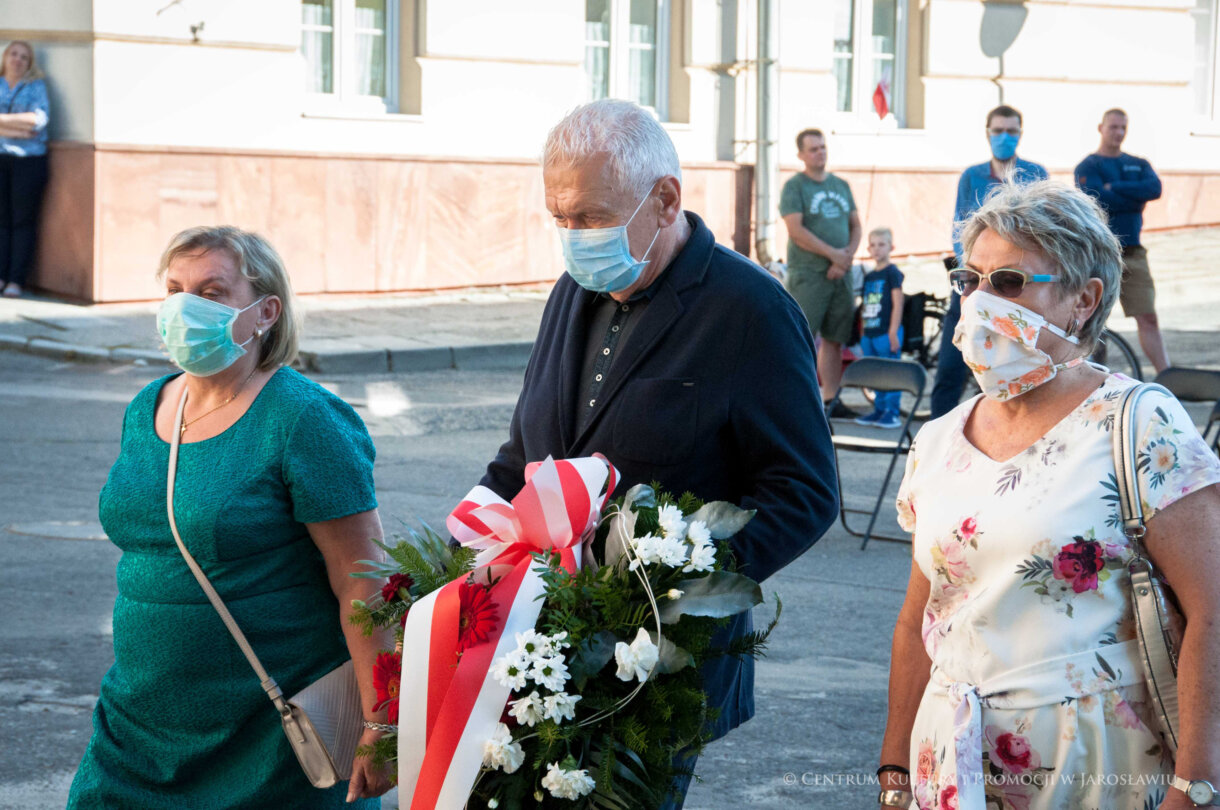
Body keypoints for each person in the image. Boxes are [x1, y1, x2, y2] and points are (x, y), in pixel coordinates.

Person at [478, 99, 839, 808]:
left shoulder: (750, 309)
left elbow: (805, 492)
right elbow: (530, 447)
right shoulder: (571, 292)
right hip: (541, 647)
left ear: (665, 199)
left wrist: (676, 592)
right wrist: (474, 538)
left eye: (589, 216)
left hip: (658, 673)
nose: (573, 236)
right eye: (560, 218)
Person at [876, 180, 1220, 810]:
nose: (980, 302)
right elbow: (920, 617)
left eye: (1008, 282)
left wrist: (1195, 786)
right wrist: (894, 771)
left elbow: (1213, 610)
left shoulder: (1139, 422)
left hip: (1093, 766)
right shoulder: (939, 440)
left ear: (1082, 300)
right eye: (968, 280)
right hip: (950, 762)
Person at [68, 227, 393, 809]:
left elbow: (362, 578)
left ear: (264, 311)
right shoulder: (150, 405)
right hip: (138, 727)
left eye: (212, 292)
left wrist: (383, 720)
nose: (185, 308)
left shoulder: (305, 419)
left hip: (267, 739)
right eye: (175, 290)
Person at [930, 105, 1048, 419]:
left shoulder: (1036, 174)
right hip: (974, 280)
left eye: (1011, 131)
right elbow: (960, 225)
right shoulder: (972, 176)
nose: (1004, 137)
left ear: (1020, 133)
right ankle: (935, 438)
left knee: (1016, 363)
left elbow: (1046, 231)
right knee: (951, 366)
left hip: (1015, 285)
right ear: (988, 133)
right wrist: (973, 268)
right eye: (998, 131)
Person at [1076, 108, 1168, 373]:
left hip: (1133, 253)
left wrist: (1114, 187)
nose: (1118, 133)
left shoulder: (1138, 163)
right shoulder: (1089, 166)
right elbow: (1097, 201)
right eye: (1113, 127)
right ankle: (1085, 375)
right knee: (1091, 319)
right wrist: (1132, 198)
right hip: (1099, 254)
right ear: (1101, 128)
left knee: (1148, 316)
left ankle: (1167, 376)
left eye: (1122, 128)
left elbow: (1154, 189)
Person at [779, 127, 863, 417]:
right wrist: (834, 256)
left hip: (841, 275)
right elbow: (795, 230)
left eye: (823, 147)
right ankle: (795, 400)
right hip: (809, 274)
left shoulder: (841, 184)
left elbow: (855, 224)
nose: (820, 152)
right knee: (800, 337)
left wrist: (845, 258)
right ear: (801, 154)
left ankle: (831, 400)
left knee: (835, 339)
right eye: (813, 149)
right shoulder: (795, 186)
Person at [0, 40, 50, 298]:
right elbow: (25, 124)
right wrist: (16, 126)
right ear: (5, 57)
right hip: (1, 159)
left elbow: (37, 122)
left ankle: (15, 280)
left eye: (24, 57)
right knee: (1, 220)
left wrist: (1, 122)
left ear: (29, 63)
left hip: (29, 162)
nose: (17, 59)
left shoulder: (35, 87)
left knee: (22, 221)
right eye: (14, 54)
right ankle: (1, 276)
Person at [855, 227, 905, 429]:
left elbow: (898, 304)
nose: (877, 249)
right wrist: (863, 333)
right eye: (873, 245)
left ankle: (891, 413)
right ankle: (878, 409)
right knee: (875, 373)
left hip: (886, 332)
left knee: (890, 371)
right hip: (870, 332)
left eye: (882, 244)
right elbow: (865, 306)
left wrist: (893, 331)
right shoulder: (869, 276)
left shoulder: (893, 273)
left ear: (891, 247)